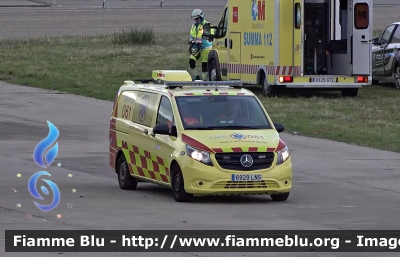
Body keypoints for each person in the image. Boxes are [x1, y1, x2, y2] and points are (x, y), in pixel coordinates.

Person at [188, 9, 213, 81]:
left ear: (201, 17)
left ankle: (205, 80)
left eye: (197, 18)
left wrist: (202, 41)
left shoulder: (207, 25)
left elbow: (209, 37)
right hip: (196, 47)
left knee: (204, 65)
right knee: (191, 61)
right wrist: (190, 41)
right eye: (195, 19)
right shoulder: (194, 26)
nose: (196, 20)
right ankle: (196, 77)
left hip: (206, 47)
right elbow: (191, 35)